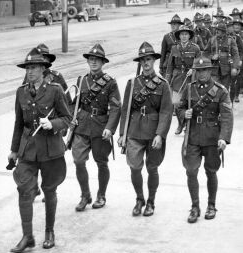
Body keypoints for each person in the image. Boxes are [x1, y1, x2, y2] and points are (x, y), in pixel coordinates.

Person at [8, 48, 71, 253]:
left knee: (50, 189)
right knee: (24, 190)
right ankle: (27, 236)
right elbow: (19, 123)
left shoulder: (54, 90)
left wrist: (51, 124)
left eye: (34, 67)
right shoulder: (21, 91)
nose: (30, 71)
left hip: (50, 149)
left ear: (44, 69)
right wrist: (14, 150)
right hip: (28, 149)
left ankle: (49, 232)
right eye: (28, 68)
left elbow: (67, 119)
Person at [118, 42, 173, 217]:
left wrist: (160, 134)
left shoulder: (163, 85)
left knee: (152, 168)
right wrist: (122, 134)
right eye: (143, 60)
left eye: (148, 59)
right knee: (134, 167)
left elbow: (166, 111)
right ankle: (139, 199)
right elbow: (125, 109)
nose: (146, 63)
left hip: (153, 132)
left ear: (154, 61)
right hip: (134, 130)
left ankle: (151, 201)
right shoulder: (133, 83)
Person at [178, 56, 233, 223]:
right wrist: (183, 114)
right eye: (198, 71)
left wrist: (224, 138)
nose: (201, 74)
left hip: (212, 138)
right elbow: (179, 106)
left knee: (211, 171)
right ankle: (195, 207)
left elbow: (226, 116)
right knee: (191, 171)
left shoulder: (220, 90)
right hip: (193, 136)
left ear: (210, 71)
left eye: (204, 70)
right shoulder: (189, 89)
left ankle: (211, 205)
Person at [71, 44, 121, 212]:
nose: (93, 62)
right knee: (78, 160)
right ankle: (85, 195)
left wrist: (110, 128)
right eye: (91, 59)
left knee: (101, 162)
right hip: (82, 125)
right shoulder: (81, 80)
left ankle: (101, 195)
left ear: (102, 62)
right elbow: (73, 104)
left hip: (100, 126)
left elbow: (116, 107)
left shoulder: (110, 82)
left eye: (97, 60)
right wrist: (70, 121)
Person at [22, 43, 71, 203]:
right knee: (33, 155)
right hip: (35, 126)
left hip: (52, 125)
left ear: (47, 61)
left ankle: (49, 189)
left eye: (44, 58)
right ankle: (34, 187)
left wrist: (57, 124)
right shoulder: (30, 76)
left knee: (50, 158)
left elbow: (67, 102)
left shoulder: (57, 78)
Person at [165, 25, 201, 135]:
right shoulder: (174, 48)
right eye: (182, 34)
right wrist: (167, 79)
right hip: (177, 79)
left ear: (189, 36)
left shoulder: (195, 48)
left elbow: (200, 64)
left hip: (190, 79)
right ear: (179, 36)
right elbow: (170, 66)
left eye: (186, 34)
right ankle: (181, 123)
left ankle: (187, 126)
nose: (184, 36)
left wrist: (193, 70)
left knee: (190, 103)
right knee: (176, 103)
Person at [204, 23, 240, 92]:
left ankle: (224, 102)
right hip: (214, 69)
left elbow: (235, 55)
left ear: (224, 32)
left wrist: (235, 67)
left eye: (219, 30)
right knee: (213, 89)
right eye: (216, 29)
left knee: (224, 90)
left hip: (226, 70)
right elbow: (205, 53)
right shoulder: (212, 40)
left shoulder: (230, 40)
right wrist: (211, 57)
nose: (217, 31)